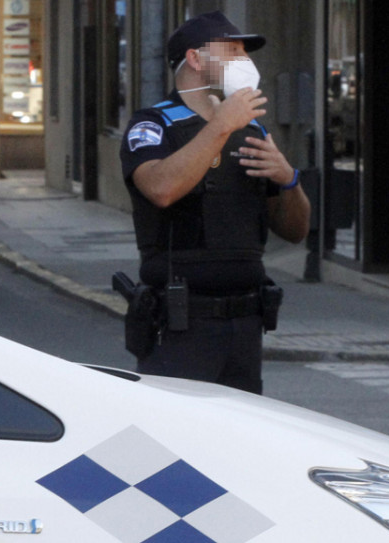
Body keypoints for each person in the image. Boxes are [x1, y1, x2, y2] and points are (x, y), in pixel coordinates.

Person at [118, 11, 310, 394]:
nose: (244, 61)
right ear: (195, 59)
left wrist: (288, 178)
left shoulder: (252, 130)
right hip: (181, 323)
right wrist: (221, 125)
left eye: (245, 52)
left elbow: (295, 230)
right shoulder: (154, 126)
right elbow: (161, 188)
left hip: (245, 324)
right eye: (232, 50)